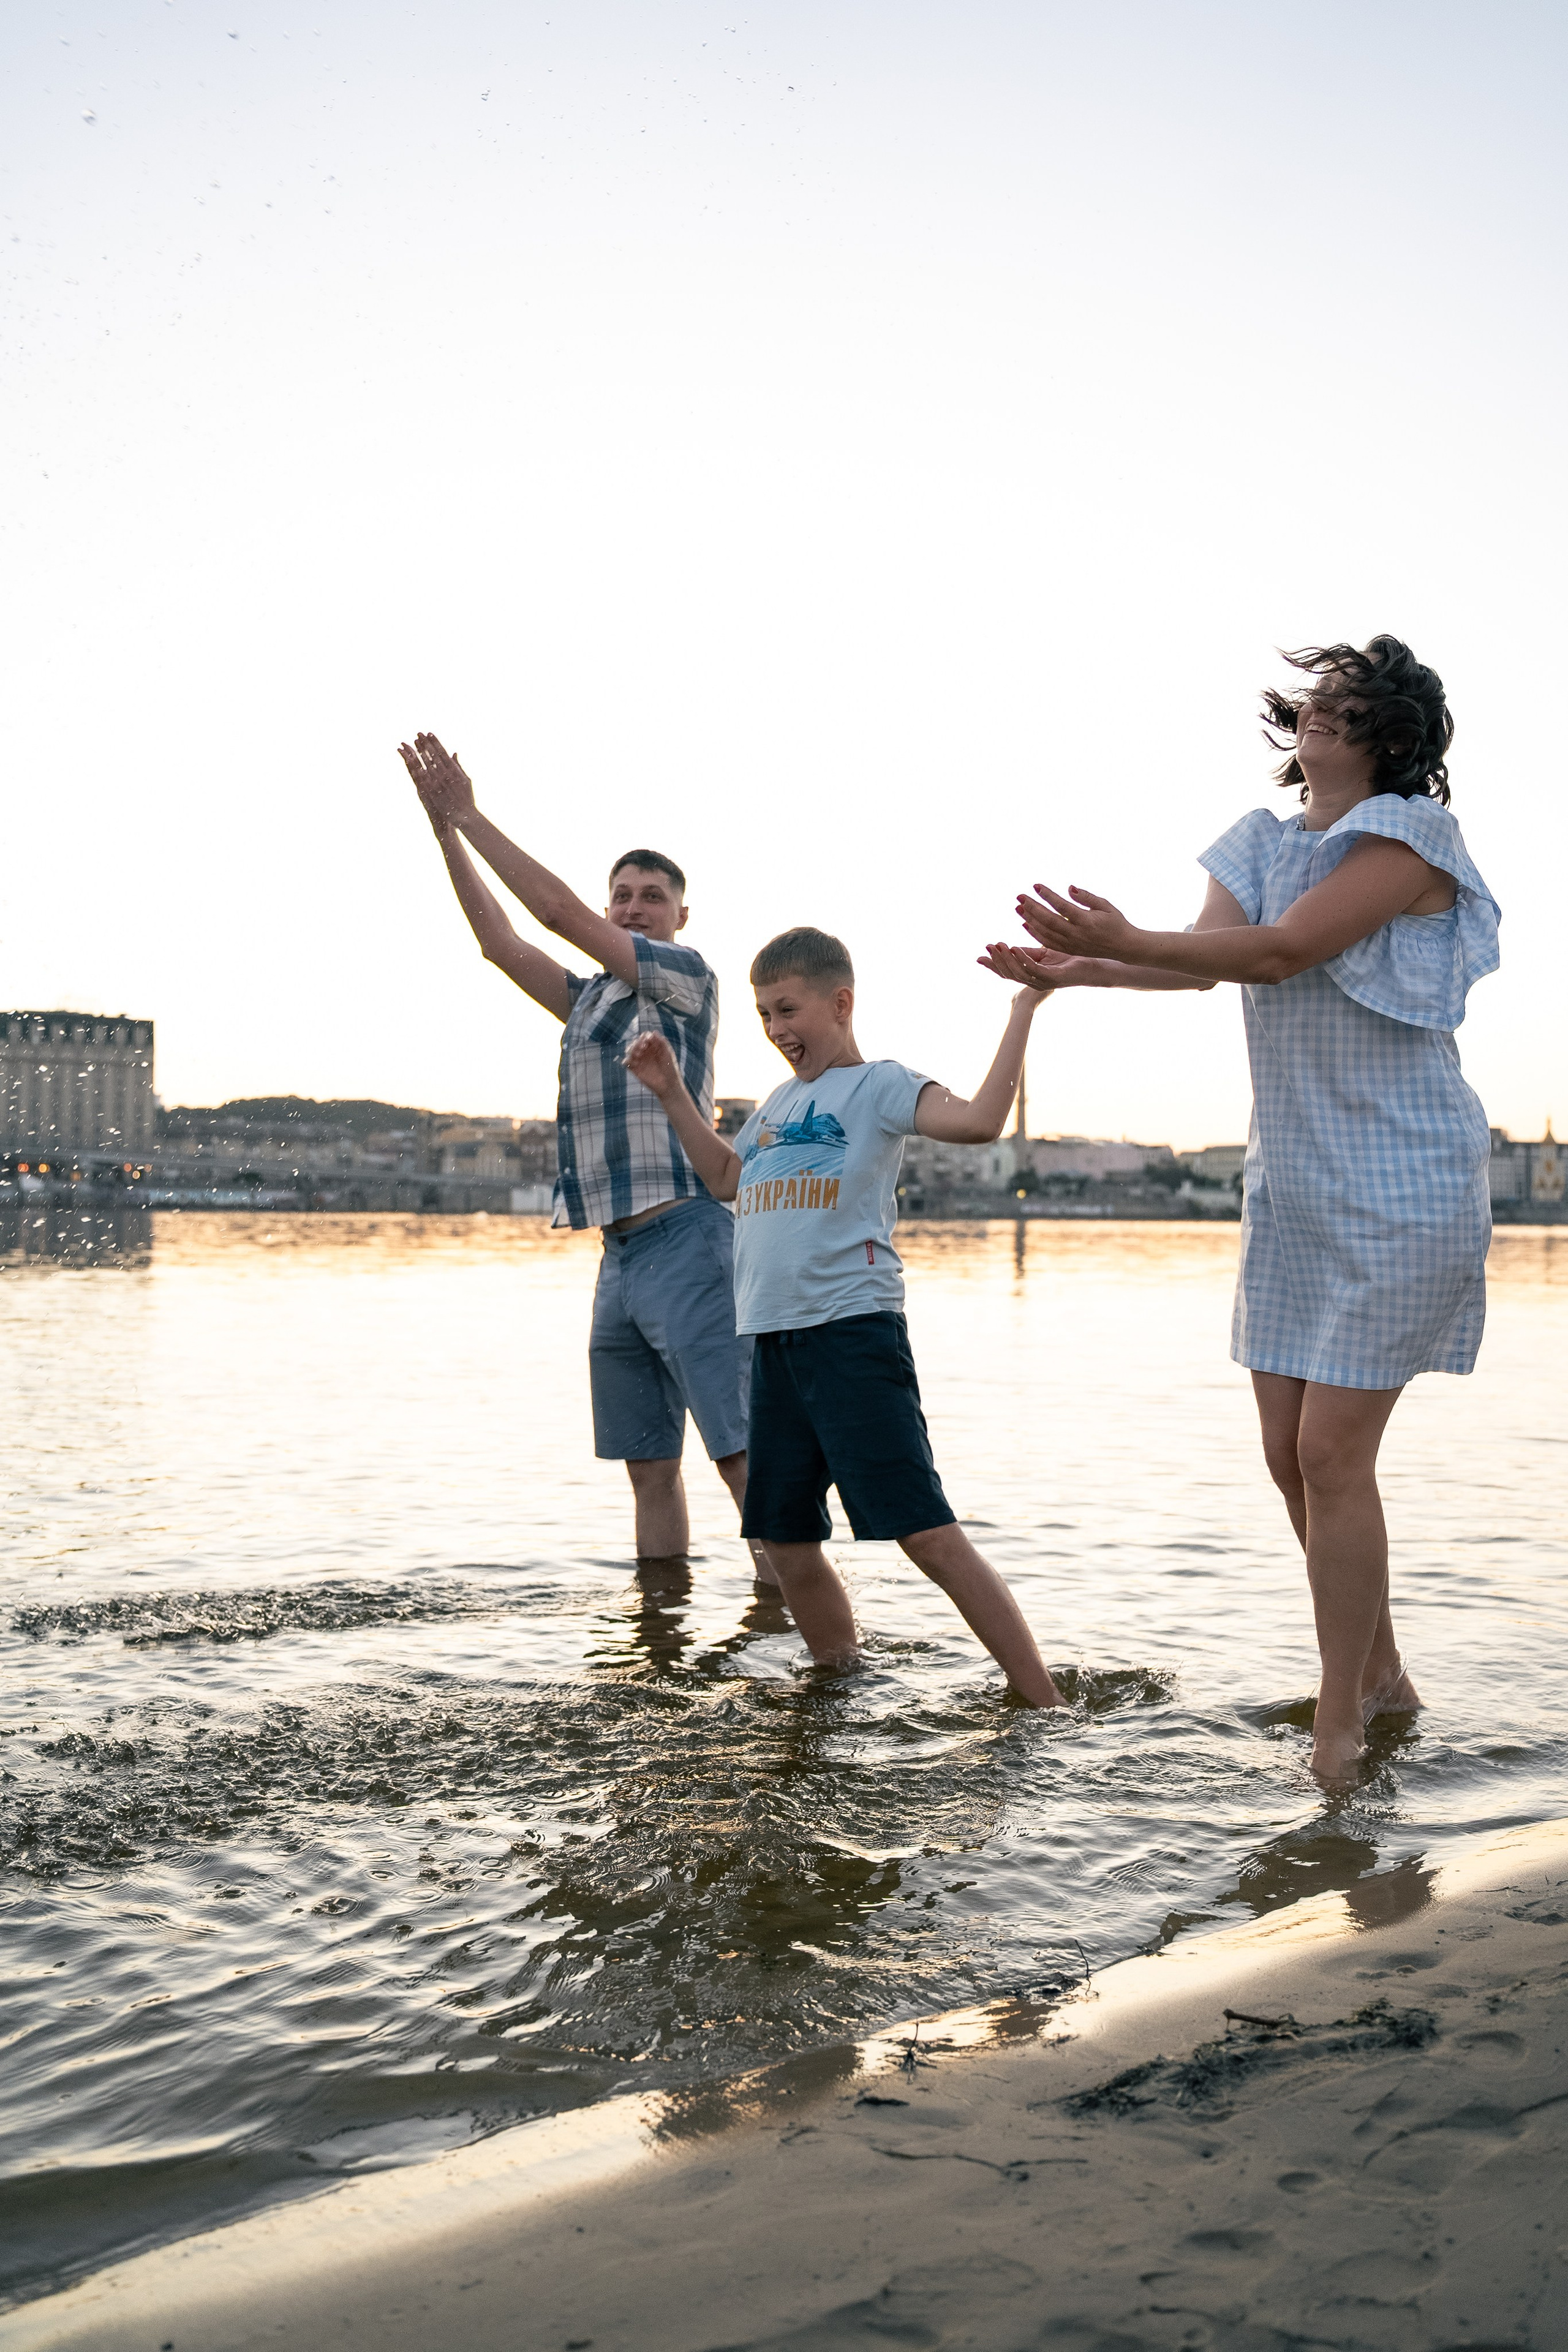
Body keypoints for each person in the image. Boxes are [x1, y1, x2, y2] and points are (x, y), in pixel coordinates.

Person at [982, 636, 1499, 1781]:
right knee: (1286, 1454)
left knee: (1331, 1453)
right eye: (1314, 698)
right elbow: (1205, 958)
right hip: (1299, 1191)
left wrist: (1122, 936)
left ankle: (1339, 1726)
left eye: (1345, 704)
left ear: (1391, 737)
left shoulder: (1411, 839)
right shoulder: (1263, 840)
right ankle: (1384, 1676)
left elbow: (1281, 952)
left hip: (1403, 1183)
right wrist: (1081, 967)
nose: (1317, 711)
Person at [622, 924, 1065, 1707]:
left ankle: (1043, 1702)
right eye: (764, 1014)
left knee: (924, 1532)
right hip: (774, 1345)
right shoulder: (778, 1104)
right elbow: (725, 1178)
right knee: (784, 1540)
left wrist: (1023, 1009)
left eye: (787, 1009)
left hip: (853, 1335)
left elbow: (980, 1121)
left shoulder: (878, 1087)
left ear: (840, 1003)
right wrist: (669, 1092)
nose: (775, 1028)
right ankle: (837, 1687)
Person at [396, 732, 769, 1577]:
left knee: (739, 1456)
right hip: (619, 1257)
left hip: (691, 1241)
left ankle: (794, 1623)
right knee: (649, 1468)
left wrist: (472, 814)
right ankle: (661, 1624)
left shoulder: (685, 978)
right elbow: (502, 944)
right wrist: (446, 832)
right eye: (622, 897)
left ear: (679, 916)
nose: (633, 908)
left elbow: (556, 914)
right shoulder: (591, 999)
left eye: (651, 897)